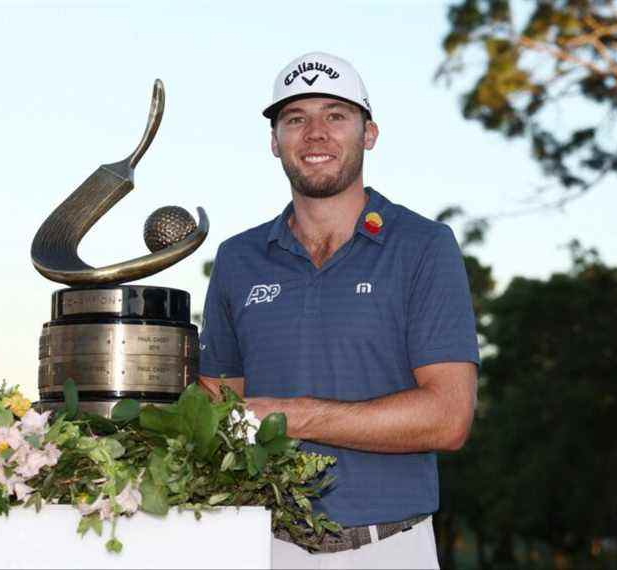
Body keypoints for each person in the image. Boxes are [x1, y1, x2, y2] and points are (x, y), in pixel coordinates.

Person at [198, 51, 479, 570]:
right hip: (262, 546)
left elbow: (449, 417)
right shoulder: (238, 258)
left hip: (390, 548)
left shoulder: (423, 245)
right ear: (274, 141)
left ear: (368, 134)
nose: (315, 134)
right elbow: (217, 410)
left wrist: (295, 415)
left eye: (335, 115)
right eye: (295, 119)